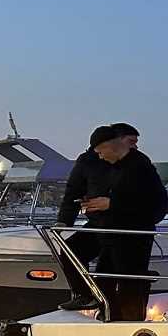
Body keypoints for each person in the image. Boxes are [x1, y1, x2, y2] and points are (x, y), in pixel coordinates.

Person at [85, 124, 168, 321]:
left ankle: (128, 321)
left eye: (100, 151)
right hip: (115, 233)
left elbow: (151, 201)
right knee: (104, 278)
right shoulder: (116, 168)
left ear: (110, 145)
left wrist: (112, 204)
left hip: (133, 235)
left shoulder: (139, 165)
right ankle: (110, 317)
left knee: (129, 281)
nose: (99, 156)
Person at [55, 127, 117, 310]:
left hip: (122, 223)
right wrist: (65, 220)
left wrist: (114, 203)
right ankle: (83, 295)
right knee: (70, 251)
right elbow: (74, 190)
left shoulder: (132, 161)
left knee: (108, 266)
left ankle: (108, 304)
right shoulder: (87, 161)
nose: (100, 155)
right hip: (98, 221)